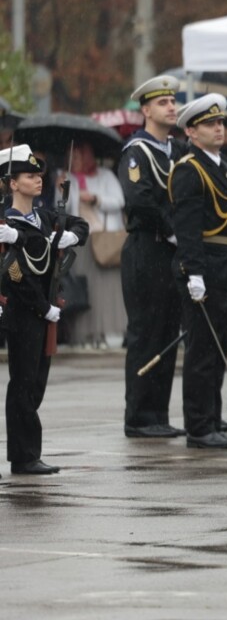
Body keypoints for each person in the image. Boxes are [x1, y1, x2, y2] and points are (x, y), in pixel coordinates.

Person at [167, 94, 227, 449]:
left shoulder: (223, 165)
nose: (219, 129)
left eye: (221, 124)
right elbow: (187, 228)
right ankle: (199, 426)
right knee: (203, 352)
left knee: (219, 350)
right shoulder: (189, 168)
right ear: (191, 131)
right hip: (206, 269)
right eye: (210, 124)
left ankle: (212, 417)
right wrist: (193, 273)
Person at [1, 144, 89, 474]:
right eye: (29, 175)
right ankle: (24, 456)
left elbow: (81, 225)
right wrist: (42, 307)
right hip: (24, 312)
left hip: (45, 309)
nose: (38, 180)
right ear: (12, 183)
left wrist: (71, 238)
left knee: (37, 383)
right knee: (22, 383)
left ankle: (28, 452)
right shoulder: (6, 223)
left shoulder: (47, 217)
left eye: (39, 175)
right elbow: (14, 273)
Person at [120, 76, 186, 438]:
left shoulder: (175, 152)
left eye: (173, 101)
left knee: (167, 331)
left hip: (171, 250)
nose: (171, 107)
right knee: (146, 332)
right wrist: (170, 226)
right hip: (147, 247)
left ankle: (158, 414)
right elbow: (140, 199)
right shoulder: (137, 151)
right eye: (163, 103)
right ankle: (138, 416)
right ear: (145, 110)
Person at [64, 140, 126, 348]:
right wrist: (63, 190)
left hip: (104, 240)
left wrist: (95, 199)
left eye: (79, 156)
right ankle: (86, 333)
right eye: (72, 157)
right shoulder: (67, 177)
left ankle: (108, 331)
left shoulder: (105, 176)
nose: (75, 161)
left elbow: (119, 201)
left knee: (106, 288)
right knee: (85, 288)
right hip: (81, 241)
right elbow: (65, 210)